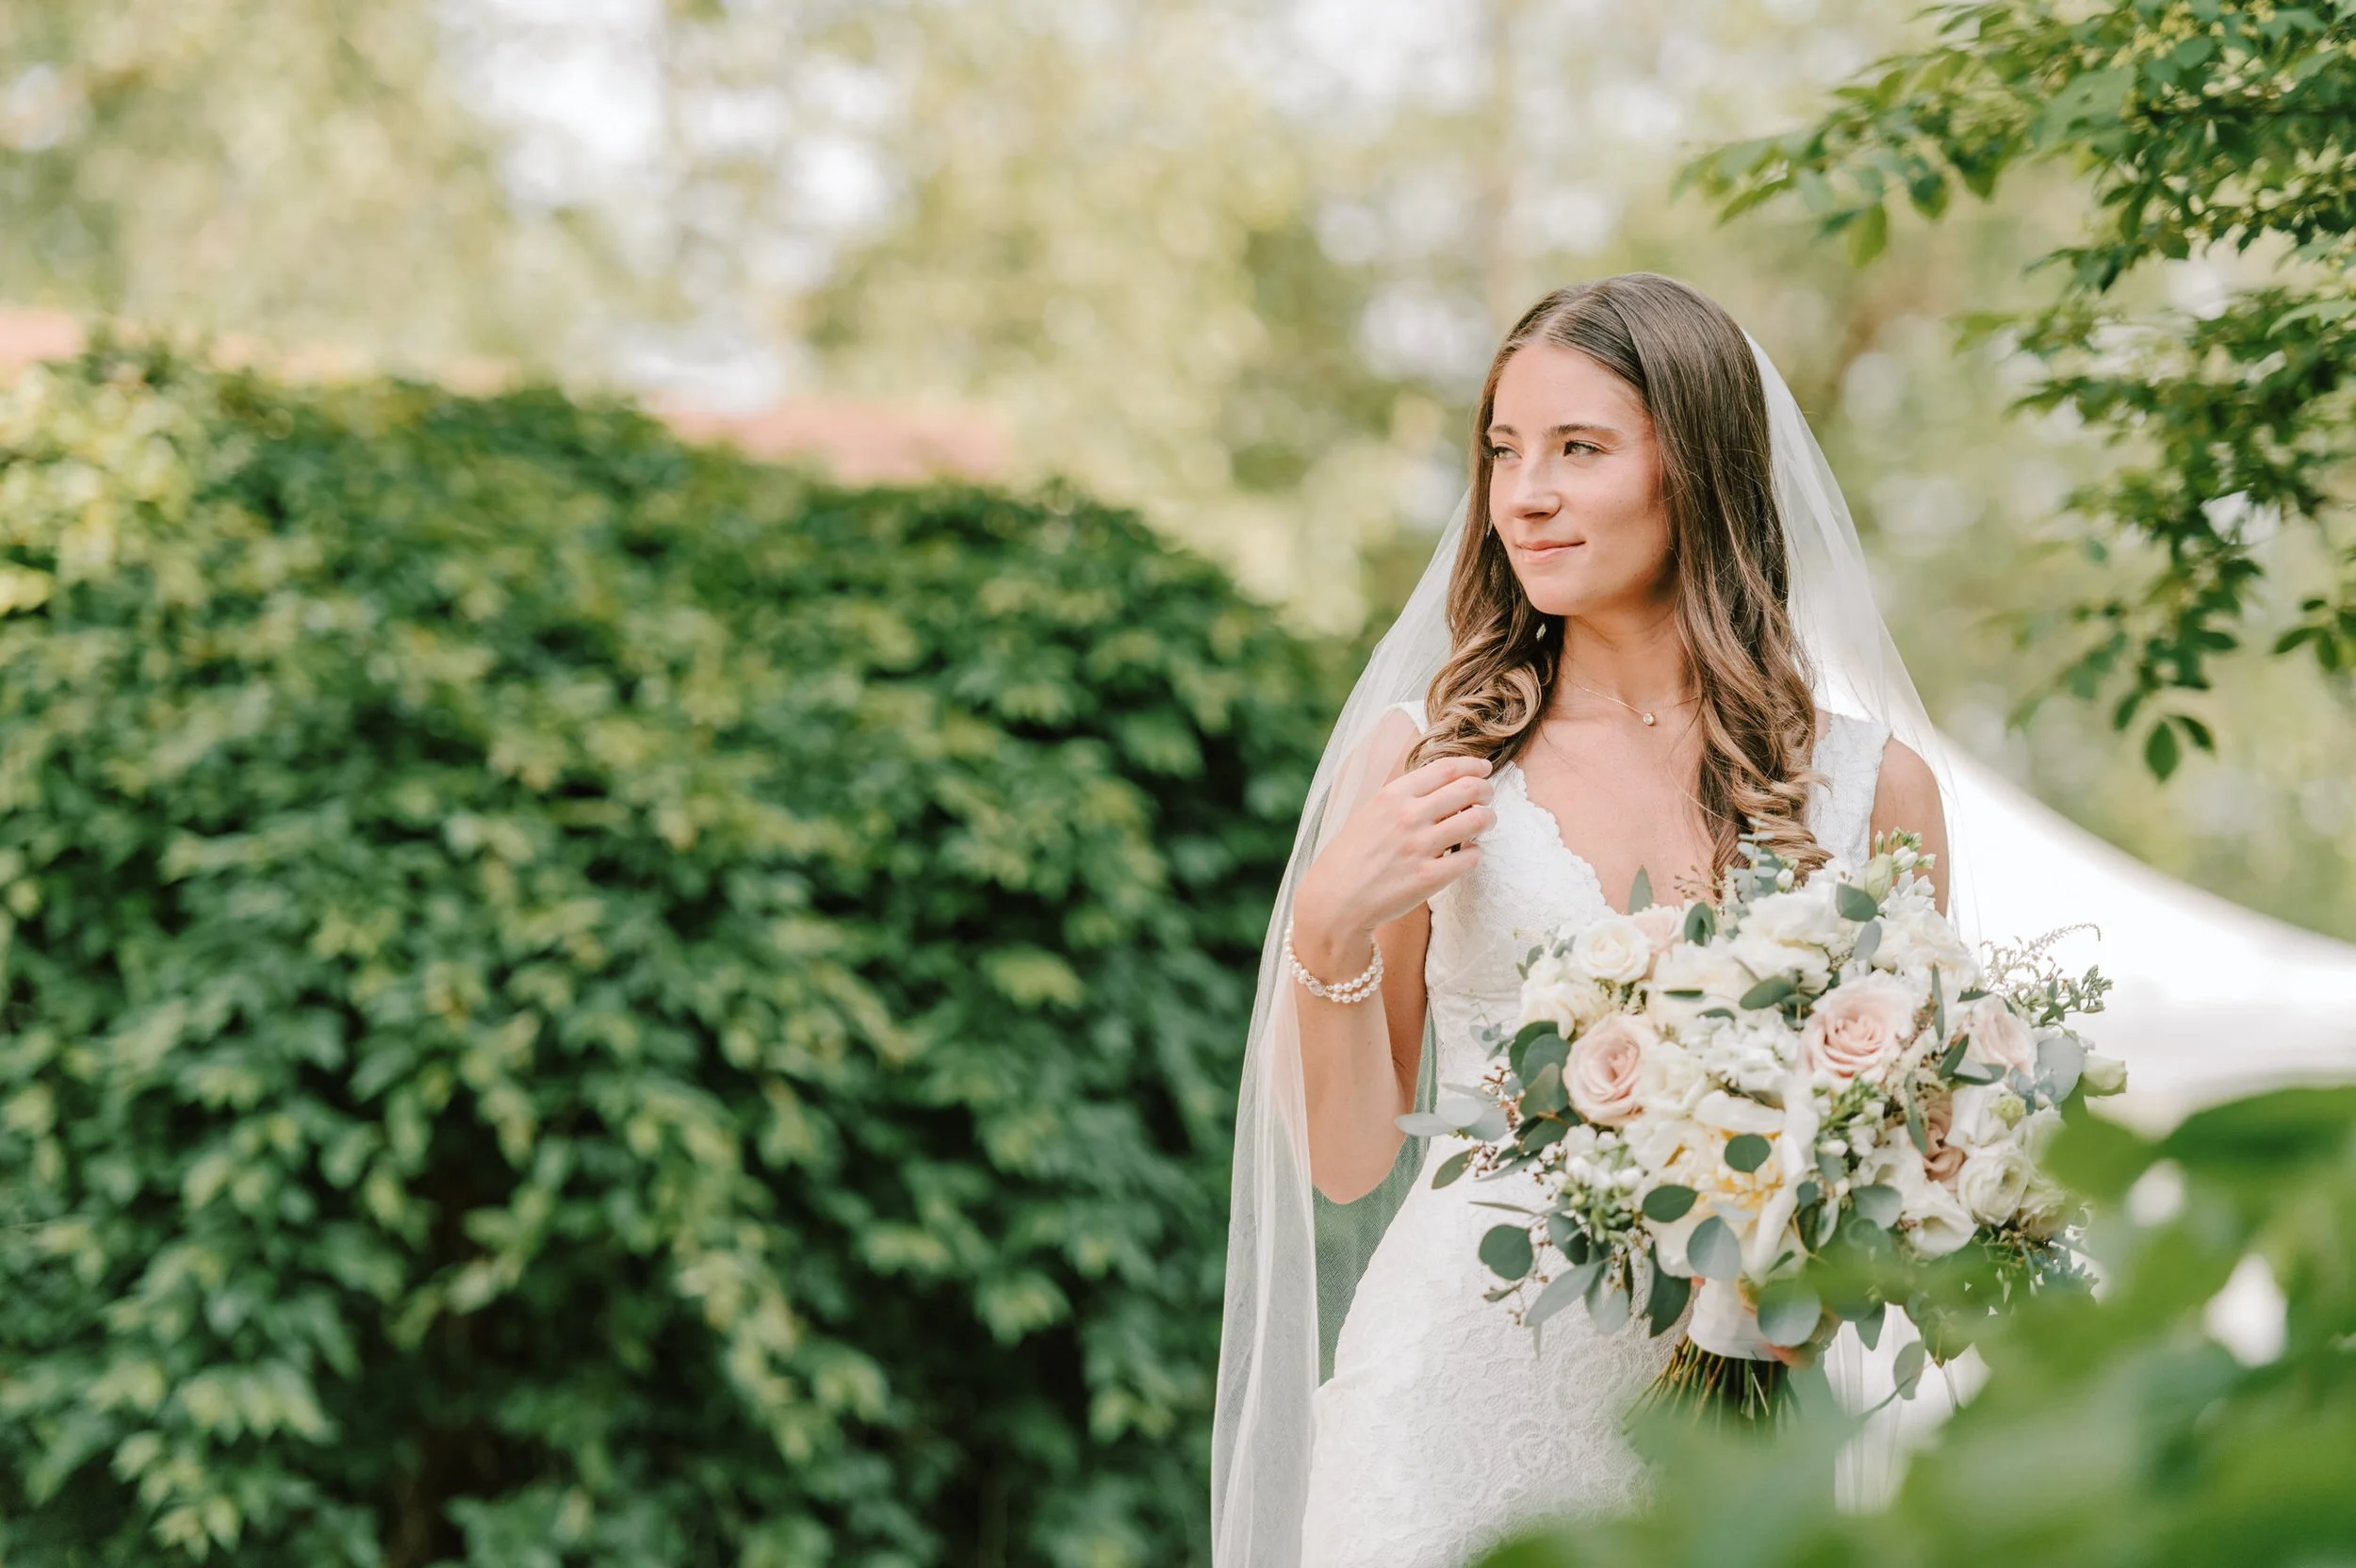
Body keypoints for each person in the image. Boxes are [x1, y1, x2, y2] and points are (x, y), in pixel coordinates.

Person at [1211, 273, 1959, 1568]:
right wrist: (1329, 927)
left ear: (1700, 471)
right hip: (1446, 1394)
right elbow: (1342, 1164)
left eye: (1578, 449)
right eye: (1504, 452)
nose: (1523, 496)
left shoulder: (1868, 788)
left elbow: (1910, 1156)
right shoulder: (1435, 763)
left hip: (1734, 1422)